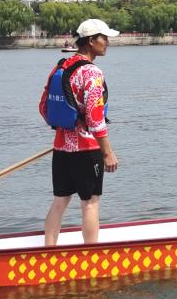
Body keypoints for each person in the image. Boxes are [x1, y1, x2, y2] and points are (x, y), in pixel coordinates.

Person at [40, 19, 121, 247]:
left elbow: (44, 108)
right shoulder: (92, 73)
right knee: (90, 203)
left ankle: (47, 252)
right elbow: (95, 119)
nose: (107, 43)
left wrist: (68, 128)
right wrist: (108, 153)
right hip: (87, 150)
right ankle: (91, 254)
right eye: (103, 38)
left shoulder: (61, 67)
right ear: (90, 41)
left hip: (61, 148)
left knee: (59, 201)